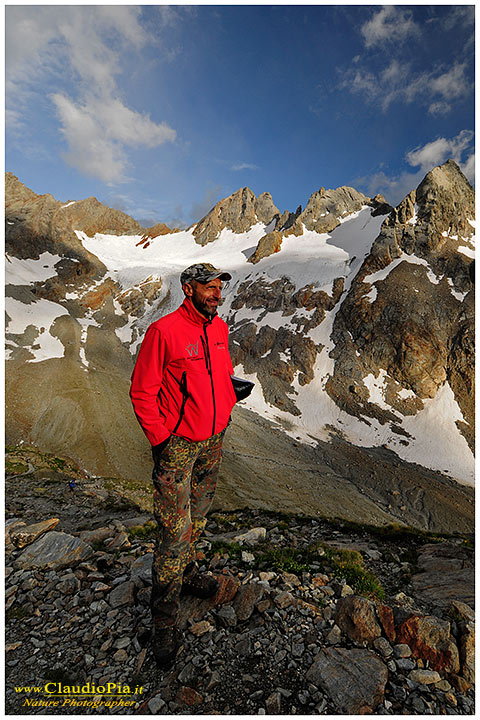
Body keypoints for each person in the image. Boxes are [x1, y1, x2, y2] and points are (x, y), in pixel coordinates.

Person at [130, 262, 237, 667]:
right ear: (188, 289)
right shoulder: (165, 331)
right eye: (208, 287)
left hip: (213, 440)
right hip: (178, 445)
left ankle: (190, 573)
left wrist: (225, 406)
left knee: (199, 514)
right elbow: (142, 391)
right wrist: (163, 438)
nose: (216, 293)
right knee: (173, 533)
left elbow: (219, 375)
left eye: (218, 286)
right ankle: (164, 620)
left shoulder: (219, 329)